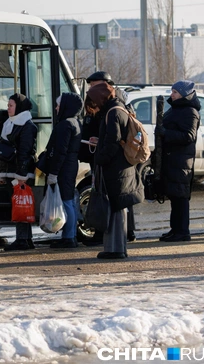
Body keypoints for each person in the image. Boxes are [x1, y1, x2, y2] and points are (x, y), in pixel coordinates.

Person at [87, 82, 144, 259]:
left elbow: (113, 142)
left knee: (115, 208)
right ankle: (116, 248)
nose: (93, 107)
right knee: (117, 207)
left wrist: (100, 159)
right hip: (121, 167)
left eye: (93, 103)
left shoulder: (113, 113)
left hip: (115, 168)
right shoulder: (118, 109)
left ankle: (116, 250)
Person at [80, 71, 137, 245]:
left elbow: (114, 137)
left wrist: (102, 154)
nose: (91, 90)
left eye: (95, 86)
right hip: (101, 156)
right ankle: (116, 234)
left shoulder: (114, 107)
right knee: (110, 195)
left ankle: (116, 235)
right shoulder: (107, 105)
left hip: (110, 159)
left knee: (115, 196)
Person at [157, 80, 201, 242]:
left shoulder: (189, 111)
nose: (172, 95)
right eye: (172, 91)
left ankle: (182, 231)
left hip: (181, 161)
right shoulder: (176, 109)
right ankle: (175, 229)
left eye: (175, 92)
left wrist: (165, 133)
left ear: (184, 94)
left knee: (180, 197)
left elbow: (189, 136)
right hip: (172, 158)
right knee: (174, 196)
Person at [39, 92, 83, 249]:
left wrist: (53, 173)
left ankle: (69, 237)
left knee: (66, 201)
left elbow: (60, 151)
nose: (56, 108)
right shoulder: (76, 122)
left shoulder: (65, 124)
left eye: (58, 105)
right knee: (68, 200)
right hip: (70, 165)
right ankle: (70, 235)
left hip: (64, 167)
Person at [0, 93, 38, 251]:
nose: (8, 108)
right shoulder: (9, 123)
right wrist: (1, 173)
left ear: (19, 107)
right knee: (21, 204)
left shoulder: (27, 126)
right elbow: (3, 150)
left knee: (21, 204)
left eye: (11, 105)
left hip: (20, 173)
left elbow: (25, 152)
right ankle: (26, 239)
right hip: (10, 171)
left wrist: (22, 175)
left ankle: (22, 239)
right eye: (8, 105)